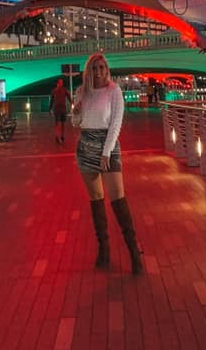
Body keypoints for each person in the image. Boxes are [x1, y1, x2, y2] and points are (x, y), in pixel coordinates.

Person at [70, 52, 143, 274]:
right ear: (89, 70)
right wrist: (76, 113)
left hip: (107, 146)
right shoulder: (82, 91)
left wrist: (106, 152)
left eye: (102, 67)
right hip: (85, 145)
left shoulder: (114, 91)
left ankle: (133, 251)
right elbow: (76, 123)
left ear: (107, 69)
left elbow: (116, 123)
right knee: (95, 199)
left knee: (118, 199)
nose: (99, 71)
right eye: (95, 68)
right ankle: (104, 248)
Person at [49, 78, 70, 143]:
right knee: (57, 123)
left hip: (63, 108)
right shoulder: (54, 91)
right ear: (58, 83)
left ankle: (62, 136)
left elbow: (68, 96)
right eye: (60, 82)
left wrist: (72, 102)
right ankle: (57, 136)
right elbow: (52, 100)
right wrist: (50, 108)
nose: (62, 83)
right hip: (57, 109)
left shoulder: (64, 89)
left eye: (62, 82)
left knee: (63, 123)